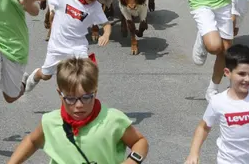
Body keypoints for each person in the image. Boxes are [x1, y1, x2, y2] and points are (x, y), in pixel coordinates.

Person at [8, 57, 149, 164]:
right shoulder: (50, 121)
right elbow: (32, 141)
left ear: (95, 92)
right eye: (70, 99)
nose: (79, 105)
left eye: (86, 97)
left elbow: (140, 142)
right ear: (60, 94)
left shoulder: (113, 120)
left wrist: (133, 160)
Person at [184, 45, 249, 164]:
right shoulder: (218, 101)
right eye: (242, 74)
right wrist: (193, 153)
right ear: (227, 72)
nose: (247, 79)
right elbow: (203, 127)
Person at [25, 0, 111, 92]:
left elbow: (106, 24)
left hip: (78, 46)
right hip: (57, 45)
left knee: (85, 74)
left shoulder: (95, 6)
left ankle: (81, 99)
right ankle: (35, 76)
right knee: (46, 75)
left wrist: (106, 35)